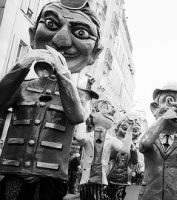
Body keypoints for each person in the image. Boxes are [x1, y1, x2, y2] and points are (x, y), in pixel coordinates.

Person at [0, 0, 103, 199]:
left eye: (81, 33)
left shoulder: (80, 94)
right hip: (14, 174)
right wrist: (23, 64)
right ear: (32, 35)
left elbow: (76, 116)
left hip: (49, 178)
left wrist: (63, 72)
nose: (60, 40)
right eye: (50, 25)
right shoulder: (23, 85)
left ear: (94, 54)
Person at [75, 100, 132, 200]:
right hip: (86, 177)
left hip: (101, 179)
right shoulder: (88, 137)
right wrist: (83, 118)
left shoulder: (111, 140)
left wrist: (130, 130)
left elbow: (125, 149)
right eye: (105, 107)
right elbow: (79, 138)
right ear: (93, 112)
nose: (112, 111)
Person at [105, 113, 140, 200]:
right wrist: (120, 145)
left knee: (120, 195)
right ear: (118, 128)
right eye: (124, 128)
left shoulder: (134, 147)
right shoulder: (115, 142)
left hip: (124, 177)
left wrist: (132, 148)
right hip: (111, 175)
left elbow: (135, 161)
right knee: (109, 195)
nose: (128, 132)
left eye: (134, 130)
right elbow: (111, 156)